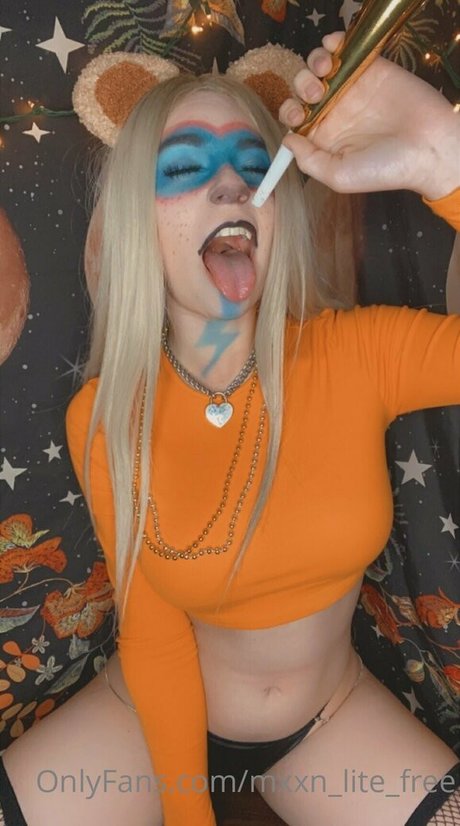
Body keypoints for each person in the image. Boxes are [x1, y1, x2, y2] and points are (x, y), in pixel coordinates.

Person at [1, 30, 460, 826]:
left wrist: (447, 164)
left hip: (329, 723)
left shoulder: (358, 354)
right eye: (185, 170)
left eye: (254, 167)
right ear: (137, 222)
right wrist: (190, 815)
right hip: (140, 720)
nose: (229, 188)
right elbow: (154, 638)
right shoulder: (104, 416)